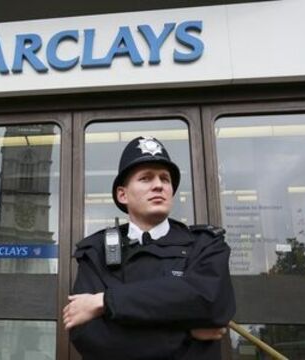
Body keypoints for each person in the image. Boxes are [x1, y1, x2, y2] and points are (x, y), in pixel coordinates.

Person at [63, 136, 235, 359]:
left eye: (165, 179)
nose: (158, 185)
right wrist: (187, 333)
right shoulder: (97, 251)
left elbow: (211, 304)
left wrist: (105, 301)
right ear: (122, 194)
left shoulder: (205, 245)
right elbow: (90, 337)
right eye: (146, 178)